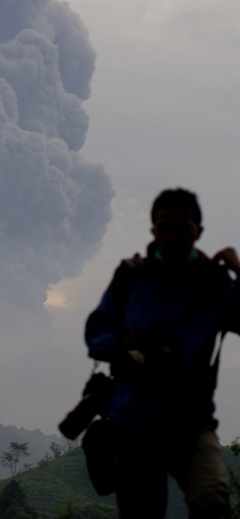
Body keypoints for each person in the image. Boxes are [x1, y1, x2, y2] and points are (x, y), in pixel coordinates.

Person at [85, 187, 240, 519]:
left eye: (182, 228)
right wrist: (123, 350)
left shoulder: (214, 283)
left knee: (212, 501)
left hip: (192, 422)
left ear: (198, 231)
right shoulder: (131, 277)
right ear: (153, 230)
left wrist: (239, 272)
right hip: (134, 425)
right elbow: (96, 330)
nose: (172, 236)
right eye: (164, 227)